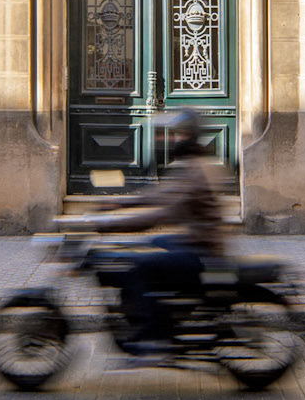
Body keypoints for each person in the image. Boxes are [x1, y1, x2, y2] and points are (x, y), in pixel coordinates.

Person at [74, 111, 228, 355]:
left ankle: (151, 338)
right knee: (151, 243)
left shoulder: (195, 171)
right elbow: (159, 195)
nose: (172, 140)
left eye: (178, 134)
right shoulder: (192, 166)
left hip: (203, 252)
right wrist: (118, 204)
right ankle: (157, 312)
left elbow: (161, 215)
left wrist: (109, 225)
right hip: (197, 242)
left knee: (138, 265)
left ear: (190, 136)